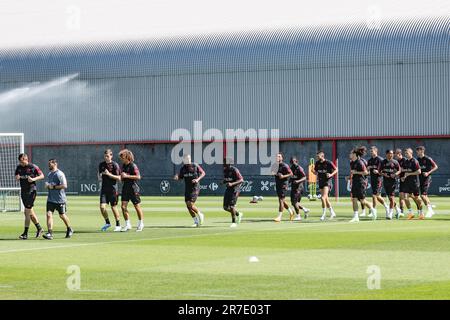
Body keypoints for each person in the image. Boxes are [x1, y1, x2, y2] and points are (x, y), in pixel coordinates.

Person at [14, 153, 44, 240]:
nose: (20, 163)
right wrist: (17, 177)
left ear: (25, 159)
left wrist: (33, 179)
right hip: (23, 191)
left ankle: (25, 233)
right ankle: (39, 228)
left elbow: (42, 175)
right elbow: (16, 176)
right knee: (30, 213)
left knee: (26, 212)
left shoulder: (33, 167)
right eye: (19, 161)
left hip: (31, 191)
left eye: (21, 161)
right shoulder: (19, 167)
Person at [42, 159, 73, 240]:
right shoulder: (49, 174)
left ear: (55, 164)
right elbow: (49, 184)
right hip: (50, 199)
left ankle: (69, 228)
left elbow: (65, 185)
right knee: (49, 214)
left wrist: (54, 187)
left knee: (62, 215)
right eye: (48, 164)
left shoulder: (60, 174)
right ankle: (50, 233)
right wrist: (47, 185)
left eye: (50, 164)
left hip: (60, 199)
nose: (48, 165)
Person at [174, 154, 205, 227]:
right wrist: (177, 177)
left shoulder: (195, 165)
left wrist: (197, 179)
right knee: (188, 206)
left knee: (190, 204)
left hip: (195, 188)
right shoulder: (183, 168)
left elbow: (203, 173)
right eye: (186, 159)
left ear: (190, 159)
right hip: (187, 188)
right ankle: (196, 221)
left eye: (188, 158)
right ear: (183, 160)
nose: (187, 160)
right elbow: (180, 177)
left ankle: (200, 214)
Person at [349, 148, 378, 223]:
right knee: (354, 199)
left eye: (351, 153)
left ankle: (372, 208)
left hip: (361, 183)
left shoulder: (360, 163)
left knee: (362, 201)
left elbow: (366, 173)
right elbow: (353, 172)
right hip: (355, 182)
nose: (350, 154)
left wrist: (356, 172)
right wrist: (349, 177)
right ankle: (356, 217)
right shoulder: (351, 162)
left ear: (355, 154)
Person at [118, 149, 144, 232]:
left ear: (127, 157)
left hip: (133, 188)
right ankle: (127, 224)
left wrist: (126, 176)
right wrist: (121, 177)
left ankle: (141, 223)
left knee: (137, 206)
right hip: (125, 188)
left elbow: (138, 177)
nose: (121, 159)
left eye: (122, 157)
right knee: (123, 207)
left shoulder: (133, 166)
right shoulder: (123, 166)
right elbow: (123, 177)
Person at [98, 149, 122, 232]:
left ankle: (118, 225)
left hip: (113, 189)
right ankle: (107, 222)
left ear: (111, 156)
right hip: (104, 189)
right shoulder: (101, 164)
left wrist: (108, 174)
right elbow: (99, 175)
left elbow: (119, 178)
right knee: (102, 207)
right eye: (105, 156)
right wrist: (100, 176)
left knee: (113, 207)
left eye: (108, 156)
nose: (106, 158)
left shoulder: (115, 165)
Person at [313, 151, 338, 221]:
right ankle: (332, 212)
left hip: (327, 182)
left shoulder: (328, 162)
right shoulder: (317, 163)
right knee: (326, 199)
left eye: (318, 156)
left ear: (322, 156)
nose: (317, 157)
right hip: (321, 182)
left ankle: (323, 214)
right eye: (317, 156)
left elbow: (336, 169)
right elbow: (316, 172)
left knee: (323, 198)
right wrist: (313, 171)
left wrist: (331, 174)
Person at [401, 148, 424, 220]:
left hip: (414, 183)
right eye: (405, 153)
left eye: (407, 153)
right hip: (407, 183)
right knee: (405, 198)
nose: (406, 154)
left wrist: (409, 174)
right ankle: (411, 213)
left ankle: (421, 213)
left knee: (417, 199)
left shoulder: (414, 161)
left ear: (411, 153)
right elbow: (405, 172)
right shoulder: (405, 162)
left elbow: (419, 171)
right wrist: (404, 177)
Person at [416, 146, 438, 218]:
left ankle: (430, 210)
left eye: (418, 150)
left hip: (427, 178)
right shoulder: (417, 159)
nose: (417, 152)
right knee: (424, 196)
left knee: (422, 195)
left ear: (422, 151)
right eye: (417, 150)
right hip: (420, 179)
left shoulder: (428, 159)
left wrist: (428, 173)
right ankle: (430, 208)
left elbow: (435, 166)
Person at [366, 146, 389, 216]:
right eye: (370, 151)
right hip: (372, 179)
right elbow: (367, 170)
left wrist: (378, 171)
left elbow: (384, 170)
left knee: (374, 195)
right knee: (378, 196)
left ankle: (374, 211)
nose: (371, 152)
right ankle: (386, 206)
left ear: (376, 151)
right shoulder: (369, 160)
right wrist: (368, 169)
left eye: (372, 151)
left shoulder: (380, 160)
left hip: (379, 179)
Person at [272, 153, 295, 222]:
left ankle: (279, 217)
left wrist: (283, 176)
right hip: (278, 184)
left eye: (279, 156)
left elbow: (291, 174)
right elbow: (272, 172)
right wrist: (275, 173)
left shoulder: (285, 165)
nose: (277, 157)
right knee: (282, 200)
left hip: (284, 184)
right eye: (276, 156)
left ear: (282, 158)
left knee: (281, 200)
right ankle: (291, 212)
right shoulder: (274, 165)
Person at [380, 150, 402, 220]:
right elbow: (379, 171)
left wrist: (395, 174)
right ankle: (398, 209)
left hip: (393, 182)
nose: (391, 155)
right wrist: (384, 174)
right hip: (386, 182)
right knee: (390, 198)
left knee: (392, 198)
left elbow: (399, 170)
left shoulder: (395, 162)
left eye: (392, 154)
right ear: (386, 154)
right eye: (389, 154)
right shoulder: (383, 162)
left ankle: (390, 213)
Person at [222, 157, 244, 228]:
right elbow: (227, 179)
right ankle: (238, 214)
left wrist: (232, 184)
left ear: (229, 163)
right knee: (225, 207)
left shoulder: (234, 170)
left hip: (235, 189)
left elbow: (241, 180)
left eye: (225, 162)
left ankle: (234, 222)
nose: (223, 163)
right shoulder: (225, 170)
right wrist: (223, 182)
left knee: (231, 206)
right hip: (228, 189)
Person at [289, 157, 310, 221]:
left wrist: (298, 181)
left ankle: (298, 216)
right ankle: (305, 209)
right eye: (292, 162)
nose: (293, 163)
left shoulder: (299, 168)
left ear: (297, 161)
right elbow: (291, 177)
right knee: (294, 203)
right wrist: (289, 181)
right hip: (294, 187)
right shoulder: (291, 168)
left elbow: (304, 177)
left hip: (299, 187)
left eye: (294, 161)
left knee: (294, 202)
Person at [395, 149, 406, 218]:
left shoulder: (405, 160)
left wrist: (404, 176)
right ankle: (401, 211)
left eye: (396, 154)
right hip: (401, 180)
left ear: (399, 154)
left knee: (402, 196)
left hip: (406, 180)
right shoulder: (397, 161)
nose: (394, 155)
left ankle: (401, 211)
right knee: (400, 196)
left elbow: (407, 169)